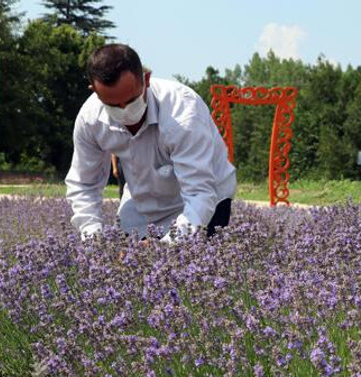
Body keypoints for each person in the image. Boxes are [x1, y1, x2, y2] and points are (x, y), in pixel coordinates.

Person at [65, 44, 236, 243]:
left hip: (206, 199)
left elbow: (199, 193)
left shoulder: (183, 113)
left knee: (190, 266)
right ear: (94, 91)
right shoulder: (90, 118)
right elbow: (84, 184)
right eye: (113, 105)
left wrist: (164, 247)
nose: (124, 111)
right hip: (142, 202)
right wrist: (94, 237)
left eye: (131, 101)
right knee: (128, 264)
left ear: (146, 80)